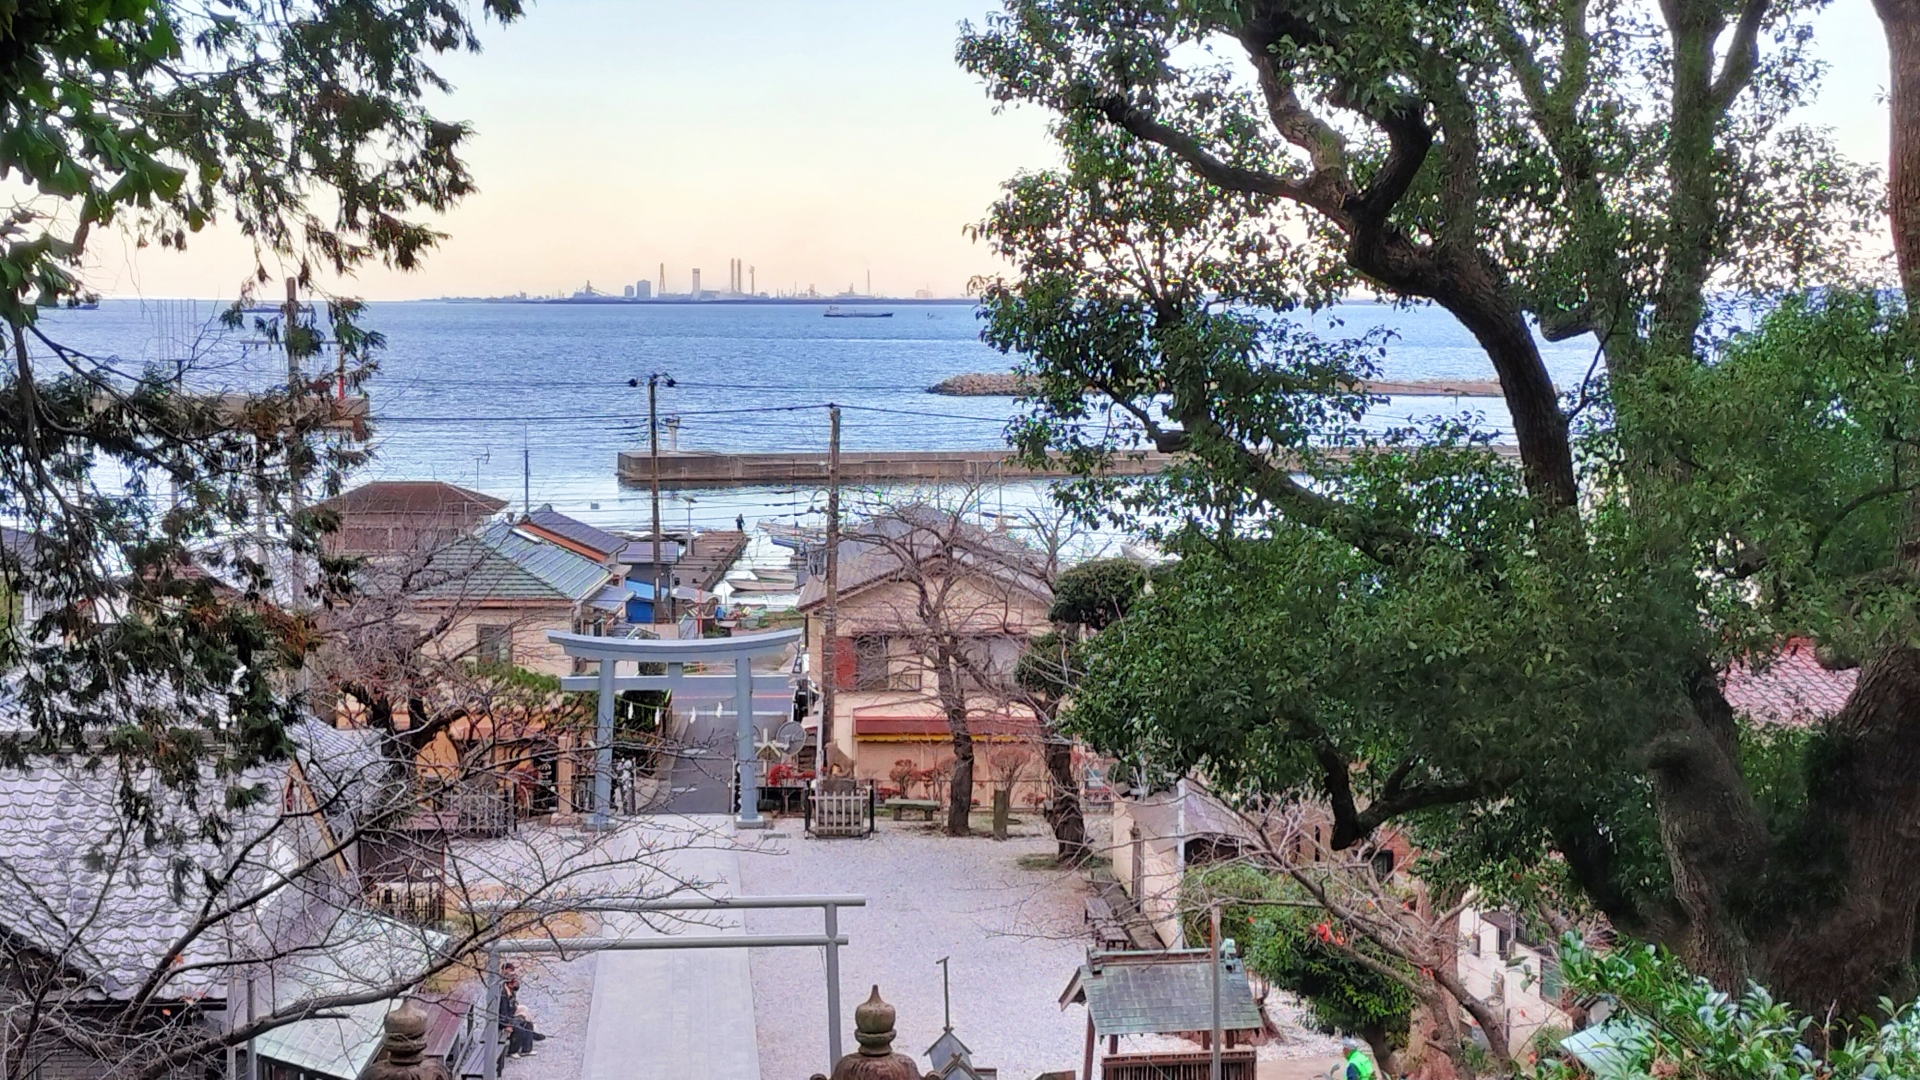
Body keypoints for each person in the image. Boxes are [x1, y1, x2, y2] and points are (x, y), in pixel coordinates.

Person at [498, 964, 547, 1059]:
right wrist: (507, 1025)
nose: (516, 984)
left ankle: (526, 1049)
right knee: (519, 1028)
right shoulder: (503, 995)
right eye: (514, 983)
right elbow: (502, 1013)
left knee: (527, 1024)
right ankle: (513, 1051)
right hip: (503, 1020)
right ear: (509, 984)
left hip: (510, 1014)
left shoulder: (510, 991)